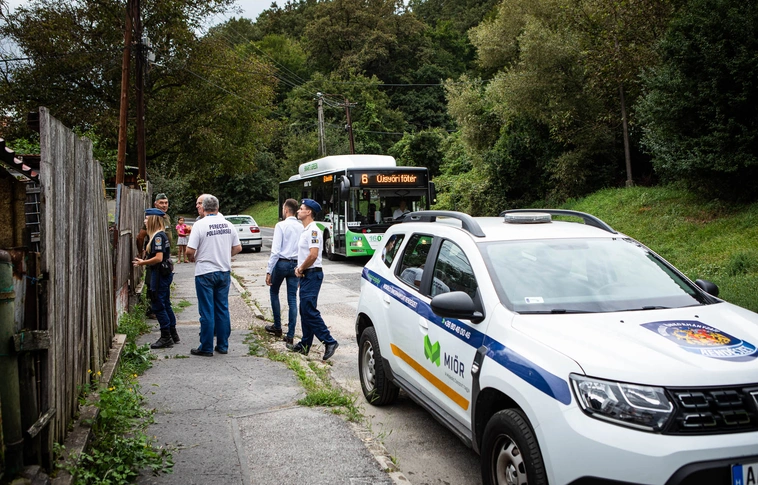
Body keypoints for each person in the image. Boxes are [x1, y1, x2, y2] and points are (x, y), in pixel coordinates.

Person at [186, 195, 242, 356]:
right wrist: (225, 255)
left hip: (205, 272)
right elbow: (238, 247)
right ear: (218, 208)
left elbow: (189, 250)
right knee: (222, 309)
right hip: (223, 271)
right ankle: (223, 345)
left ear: (203, 208)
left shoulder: (199, 225)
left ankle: (206, 346)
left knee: (207, 311)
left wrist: (193, 258)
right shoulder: (228, 224)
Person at [287, 199, 339, 361]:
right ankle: (305, 344)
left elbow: (313, 255)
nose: (298, 211)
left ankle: (329, 341)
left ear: (308, 212)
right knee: (305, 310)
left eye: (301, 209)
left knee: (308, 310)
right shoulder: (306, 230)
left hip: (312, 274)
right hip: (306, 275)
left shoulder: (313, 230)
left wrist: (300, 268)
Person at [133, 208, 179, 348]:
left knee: (158, 304)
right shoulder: (160, 235)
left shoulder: (158, 237)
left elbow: (158, 258)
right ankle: (172, 333)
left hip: (159, 274)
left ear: (153, 220)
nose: (145, 221)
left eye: (147, 218)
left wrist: (143, 262)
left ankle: (166, 336)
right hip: (163, 273)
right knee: (165, 303)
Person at [265, 198, 302, 345]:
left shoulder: (280, 225)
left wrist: (269, 270)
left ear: (286, 210)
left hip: (281, 263)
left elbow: (275, 251)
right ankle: (290, 335)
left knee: (274, 292)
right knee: (292, 298)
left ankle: (277, 326)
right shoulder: (301, 227)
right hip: (296, 265)